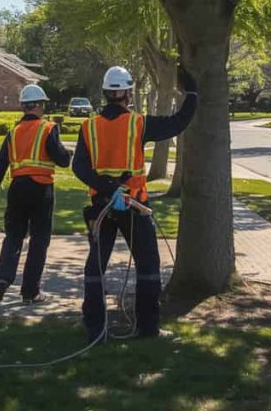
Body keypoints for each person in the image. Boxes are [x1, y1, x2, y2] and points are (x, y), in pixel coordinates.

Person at [72, 63, 197, 343]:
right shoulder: (139, 124)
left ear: (105, 93)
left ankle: (94, 326)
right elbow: (178, 122)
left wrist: (105, 186)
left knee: (96, 267)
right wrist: (192, 93)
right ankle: (148, 327)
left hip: (100, 207)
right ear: (128, 93)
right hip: (133, 206)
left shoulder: (88, 127)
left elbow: (78, 167)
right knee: (148, 266)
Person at [0, 84, 71, 305]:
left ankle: (2, 279)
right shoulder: (48, 128)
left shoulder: (13, 133)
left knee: (13, 237)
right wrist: (66, 152)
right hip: (41, 190)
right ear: (40, 105)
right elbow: (62, 159)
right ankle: (30, 292)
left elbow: (0, 166)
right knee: (39, 241)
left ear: (23, 106)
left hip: (17, 189)